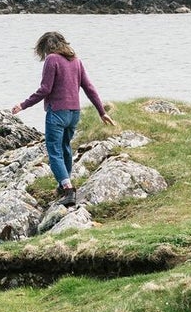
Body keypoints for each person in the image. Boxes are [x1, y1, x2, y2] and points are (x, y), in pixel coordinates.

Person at [12, 31, 115, 205]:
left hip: (57, 113)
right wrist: (101, 112)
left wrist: (23, 105)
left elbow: (45, 89)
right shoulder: (76, 61)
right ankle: (63, 185)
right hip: (74, 113)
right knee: (65, 147)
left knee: (54, 151)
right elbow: (89, 88)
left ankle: (68, 189)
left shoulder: (52, 59)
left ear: (45, 47)